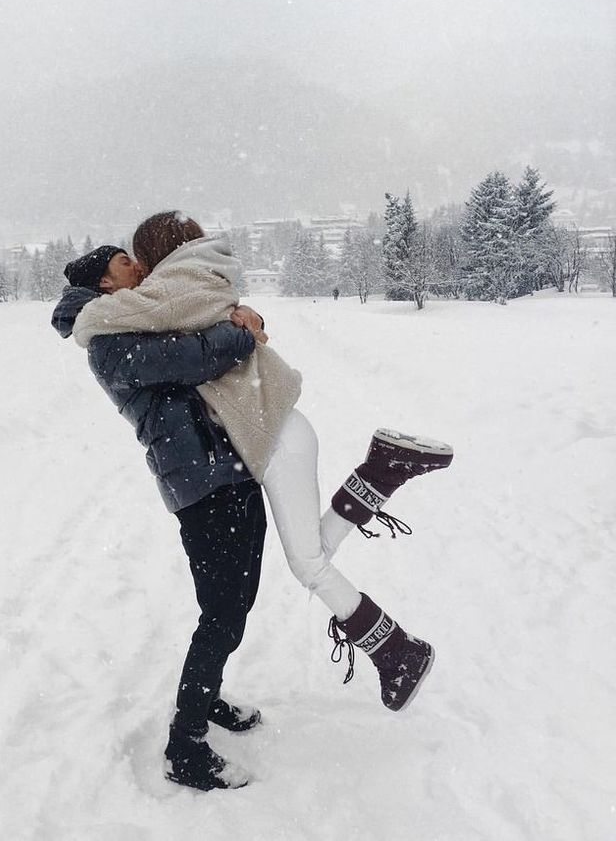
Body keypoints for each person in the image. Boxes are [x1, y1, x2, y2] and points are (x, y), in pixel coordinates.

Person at [70, 214, 453, 721]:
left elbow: (182, 335)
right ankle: (384, 484)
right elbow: (184, 334)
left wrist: (235, 321)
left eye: (139, 256)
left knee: (306, 565)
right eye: (126, 262)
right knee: (299, 564)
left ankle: (398, 649)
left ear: (161, 255)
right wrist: (237, 318)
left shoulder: (171, 291)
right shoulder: (169, 297)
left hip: (269, 438)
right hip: (266, 435)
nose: (137, 268)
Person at [52, 244, 270, 792]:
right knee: (222, 611)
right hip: (201, 485)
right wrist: (241, 330)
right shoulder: (106, 341)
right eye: (126, 263)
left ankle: (208, 696)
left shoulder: (141, 316)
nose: (139, 268)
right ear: (105, 285)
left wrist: (246, 317)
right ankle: (185, 747)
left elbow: (202, 331)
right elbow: (198, 354)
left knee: (236, 602)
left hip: (231, 467)